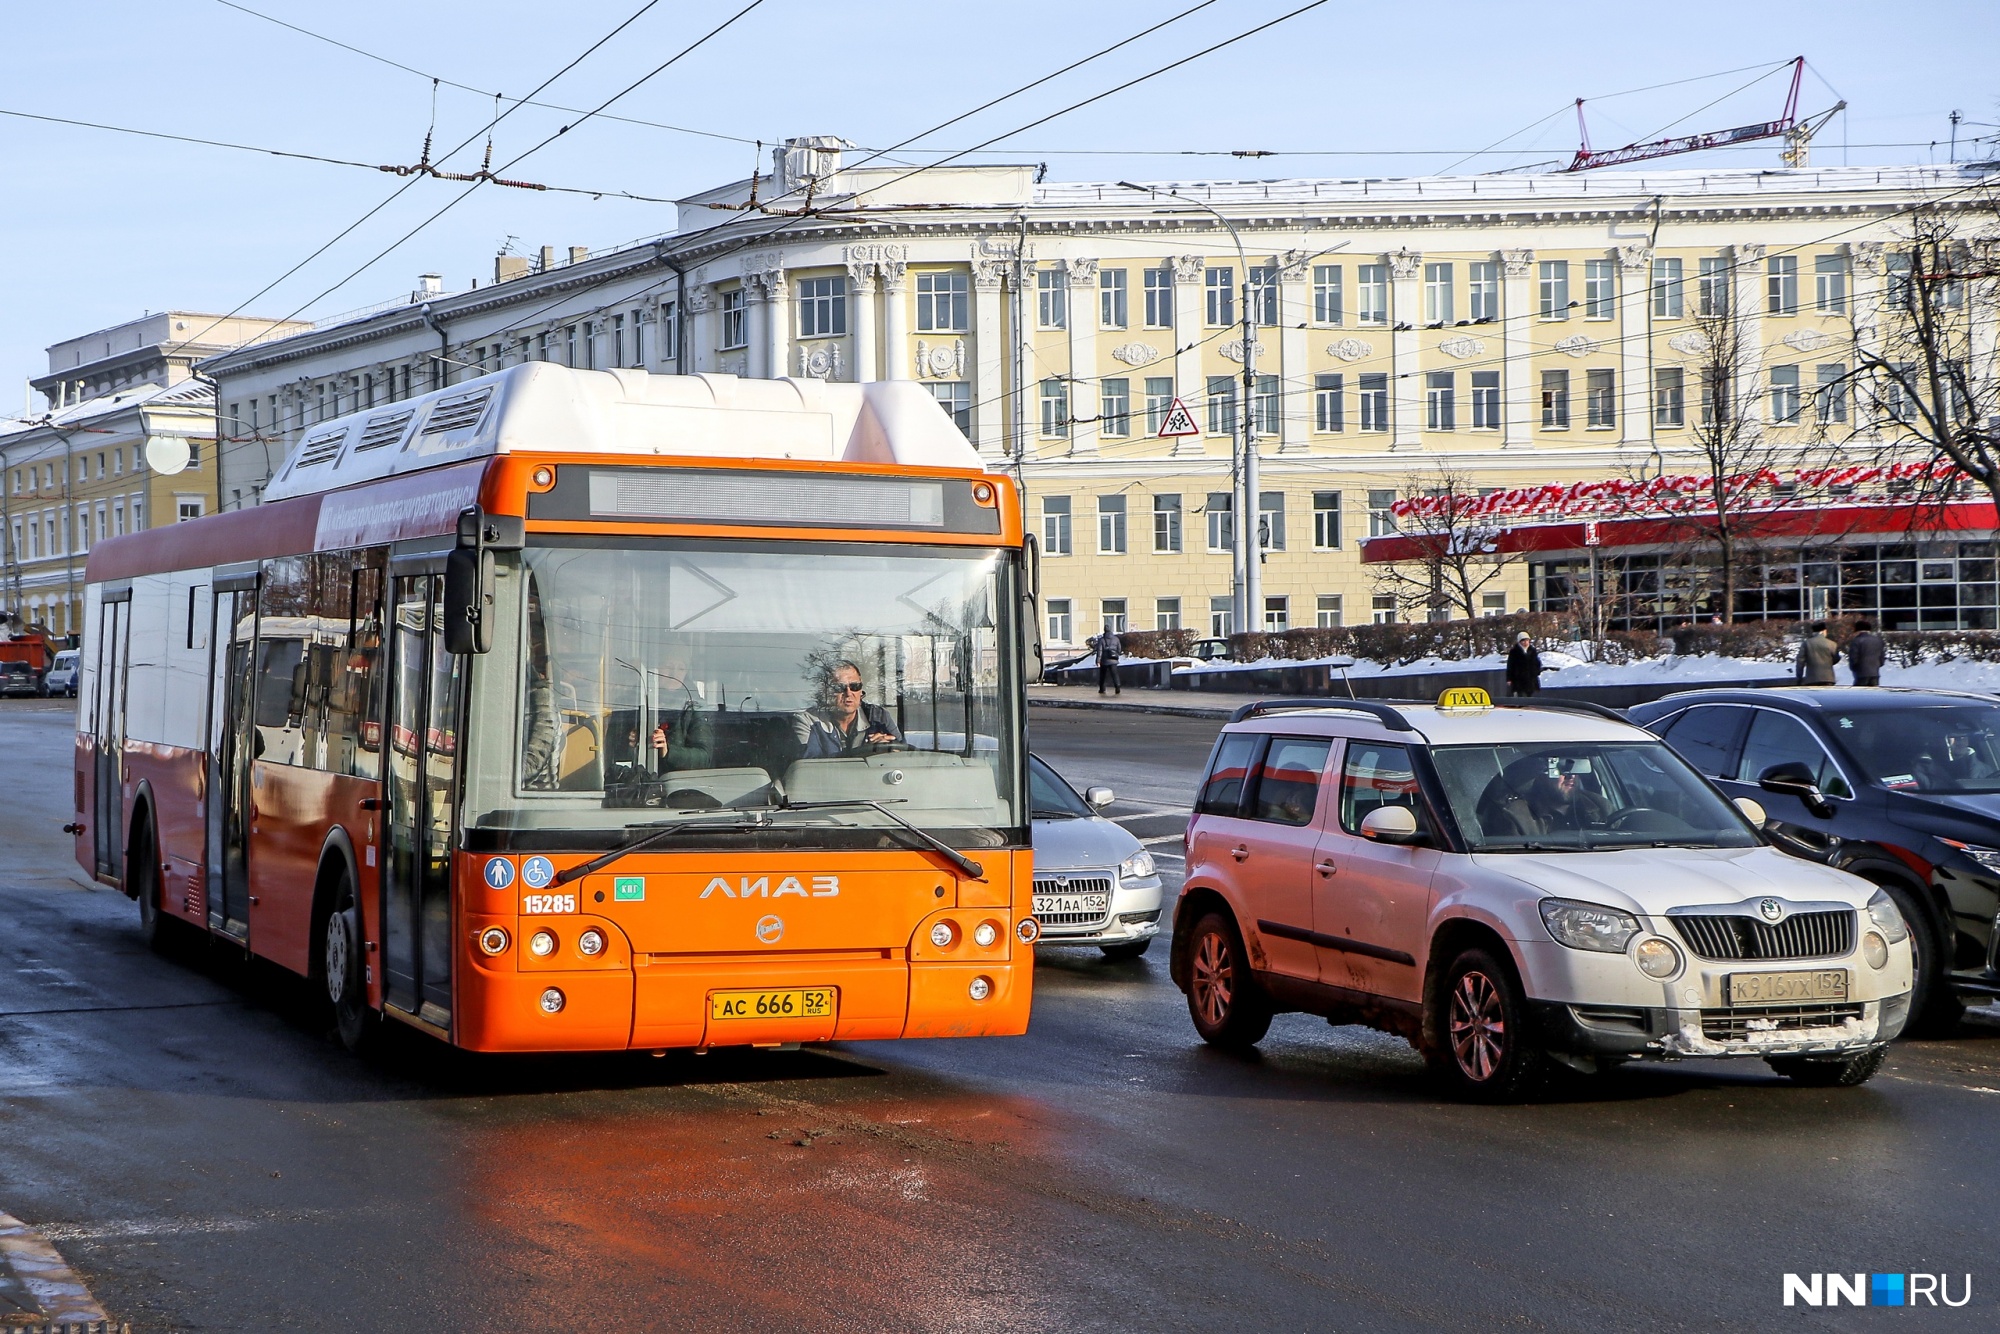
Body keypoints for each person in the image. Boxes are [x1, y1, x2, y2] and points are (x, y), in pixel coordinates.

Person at [794, 659, 903, 758]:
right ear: (826, 692)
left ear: (861, 691)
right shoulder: (808, 721)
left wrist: (891, 749)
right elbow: (808, 765)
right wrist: (866, 753)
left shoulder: (879, 716)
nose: (848, 693)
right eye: (839, 687)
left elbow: (905, 755)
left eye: (855, 686)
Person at [1795, 621, 1841, 686]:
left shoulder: (1806, 643)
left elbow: (1800, 661)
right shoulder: (1832, 644)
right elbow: (1836, 658)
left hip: (1811, 679)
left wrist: (1799, 677)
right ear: (1824, 631)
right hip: (1828, 678)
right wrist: (1829, 662)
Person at [1846, 619, 1886, 687]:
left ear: (1858, 630)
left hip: (1861, 673)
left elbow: (1854, 658)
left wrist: (1854, 668)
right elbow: (1882, 659)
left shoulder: (1856, 641)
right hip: (1875, 673)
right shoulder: (1878, 640)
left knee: (1861, 692)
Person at [1505, 631, 1543, 697]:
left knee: (1531, 696)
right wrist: (1509, 678)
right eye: (1523, 641)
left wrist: (1537, 672)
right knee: (1521, 696)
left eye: (1527, 640)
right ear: (1519, 642)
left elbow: (1537, 662)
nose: (1525, 642)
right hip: (1518, 679)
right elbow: (1510, 665)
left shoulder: (1532, 650)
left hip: (1531, 679)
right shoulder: (1514, 651)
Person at [1094, 625, 1124, 695]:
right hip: (1113, 660)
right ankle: (1117, 687)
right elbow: (1119, 649)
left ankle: (1102, 689)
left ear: (1104, 630)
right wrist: (1116, 655)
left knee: (1103, 675)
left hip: (1104, 661)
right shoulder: (1116, 639)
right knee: (1115, 675)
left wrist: (1098, 661)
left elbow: (1099, 651)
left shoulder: (1102, 640)